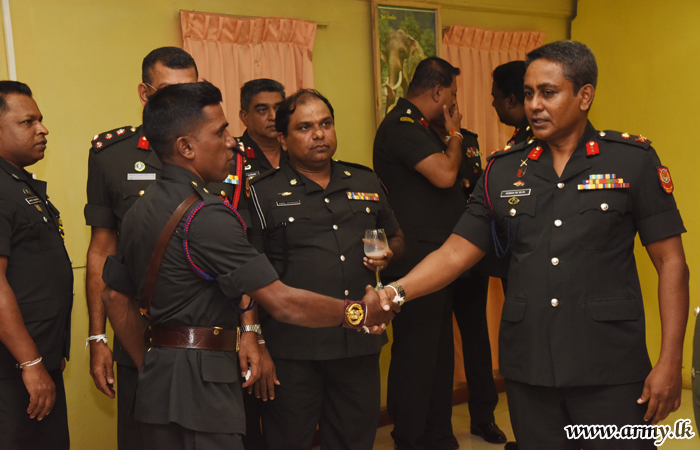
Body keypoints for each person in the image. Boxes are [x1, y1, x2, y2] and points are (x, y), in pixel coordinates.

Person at [376, 40, 689, 450]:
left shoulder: (631, 161)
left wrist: (670, 361)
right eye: (528, 94)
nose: (534, 105)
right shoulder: (504, 170)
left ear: (584, 96)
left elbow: (671, 263)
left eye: (548, 92)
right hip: (531, 370)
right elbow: (455, 252)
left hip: (610, 368)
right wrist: (393, 293)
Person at [101, 81, 396, 450]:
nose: (231, 142)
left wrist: (151, 363)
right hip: (204, 390)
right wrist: (358, 313)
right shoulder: (207, 215)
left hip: (156, 384)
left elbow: (114, 297)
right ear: (186, 147)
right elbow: (281, 302)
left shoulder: (139, 209)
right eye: (220, 132)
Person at [84, 47, 247, 450]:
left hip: (209, 340)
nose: (184, 100)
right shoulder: (112, 155)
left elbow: (241, 257)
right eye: (171, 91)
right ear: (145, 94)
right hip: (140, 334)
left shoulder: (222, 151)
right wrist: (96, 336)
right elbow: (102, 251)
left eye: (191, 89)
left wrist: (251, 332)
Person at [248, 89, 405, 450]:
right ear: (283, 139)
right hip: (292, 350)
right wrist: (255, 339)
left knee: (354, 441)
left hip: (358, 344)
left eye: (325, 124)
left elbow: (397, 237)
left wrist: (389, 254)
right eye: (305, 127)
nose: (319, 134)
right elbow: (249, 275)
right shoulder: (262, 193)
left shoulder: (364, 181)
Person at [373, 56, 464, 450]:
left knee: (439, 355)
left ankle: (437, 434)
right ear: (438, 92)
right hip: (415, 261)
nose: (454, 103)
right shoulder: (401, 126)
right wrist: (455, 133)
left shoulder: (422, 127)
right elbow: (445, 174)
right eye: (452, 94)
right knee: (416, 355)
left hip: (437, 257)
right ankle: (409, 437)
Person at [0, 81, 72, 450]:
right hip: (14, 370)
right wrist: (30, 364)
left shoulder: (19, 183)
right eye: (28, 122)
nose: (42, 129)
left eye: (40, 120)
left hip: (39, 363)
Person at [448, 123, 509, 444]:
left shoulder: (468, 138)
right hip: (436, 252)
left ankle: (483, 417)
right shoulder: (419, 139)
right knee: (437, 344)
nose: (451, 107)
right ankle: (437, 426)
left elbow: (477, 186)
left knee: (476, 338)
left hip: (471, 252)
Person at [237, 77, 286, 450]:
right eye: (262, 109)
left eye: (278, 109)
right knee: (249, 407)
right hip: (248, 298)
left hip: (291, 295)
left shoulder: (298, 153)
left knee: (288, 409)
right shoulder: (231, 158)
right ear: (243, 116)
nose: (272, 116)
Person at [491, 61, 534, 147]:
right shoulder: (527, 131)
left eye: (496, 97)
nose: (493, 104)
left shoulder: (532, 137)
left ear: (511, 100)